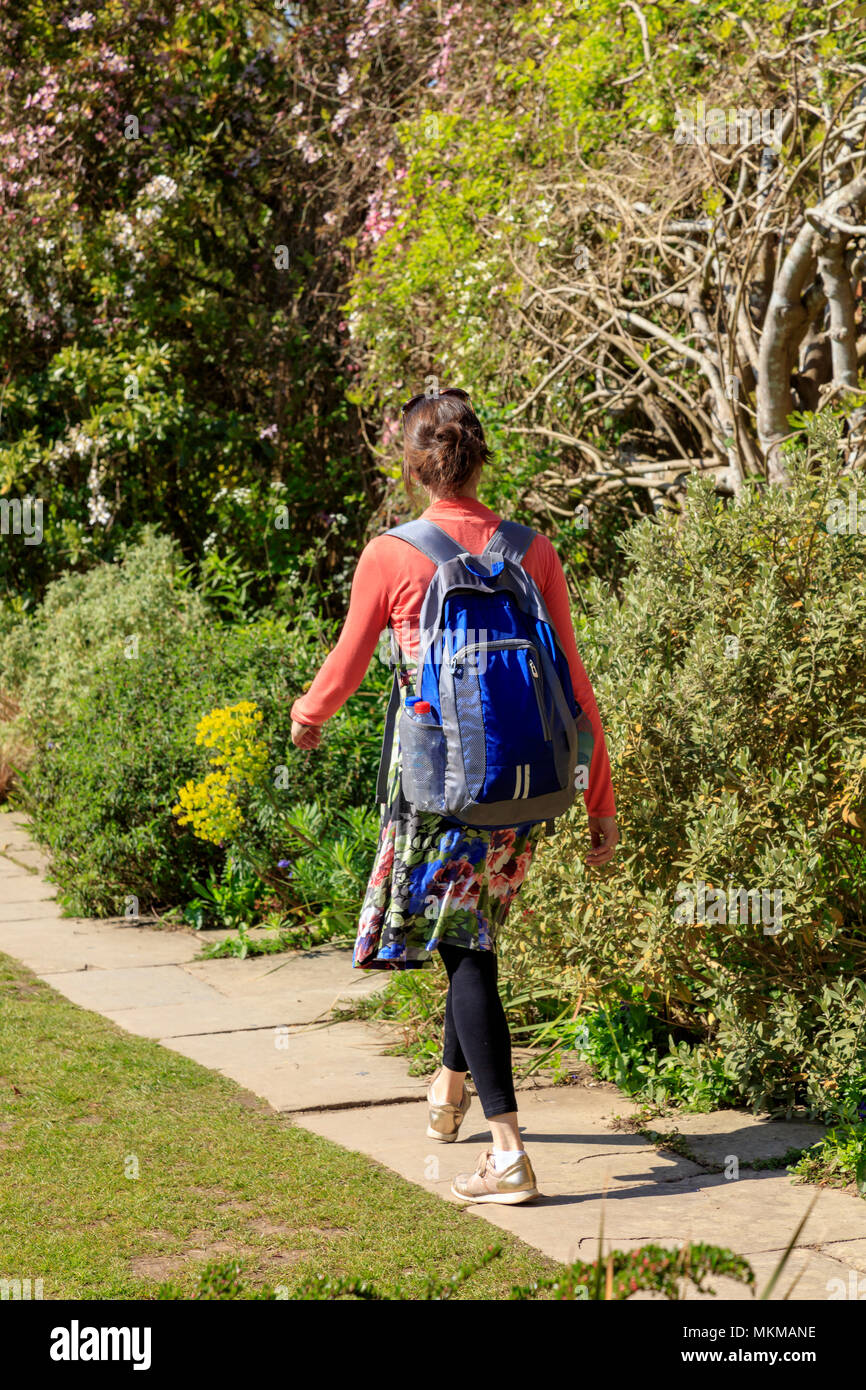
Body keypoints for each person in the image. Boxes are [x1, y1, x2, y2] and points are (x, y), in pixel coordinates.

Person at [291, 387, 618, 1205]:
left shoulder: (392, 553)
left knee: (466, 954)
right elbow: (575, 688)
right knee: (467, 931)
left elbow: (346, 667)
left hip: (438, 794)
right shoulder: (531, 550)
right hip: (522, 788)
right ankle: (448, 1085)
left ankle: (507, 1152)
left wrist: (306, 717)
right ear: (481, 458)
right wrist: (598, 799)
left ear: (415, 464)